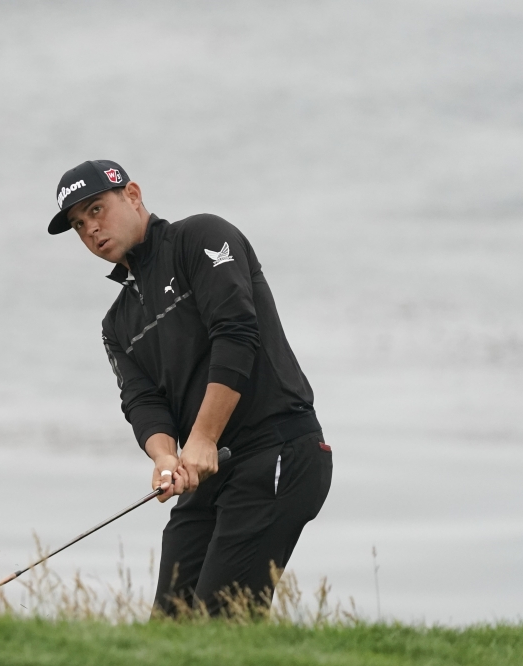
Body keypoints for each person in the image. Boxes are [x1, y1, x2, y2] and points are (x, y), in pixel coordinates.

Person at [48, 159, 332, 616]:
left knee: (219, 624)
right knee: (170, 629)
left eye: (97, 210)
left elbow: (237, 334)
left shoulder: (200, 238)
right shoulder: (116, 324)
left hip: (277, 452)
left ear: (133, 196)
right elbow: (142, 401)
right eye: (80, 225)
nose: (91, 231)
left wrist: (201, 439)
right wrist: (165, 457)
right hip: (211, 471)